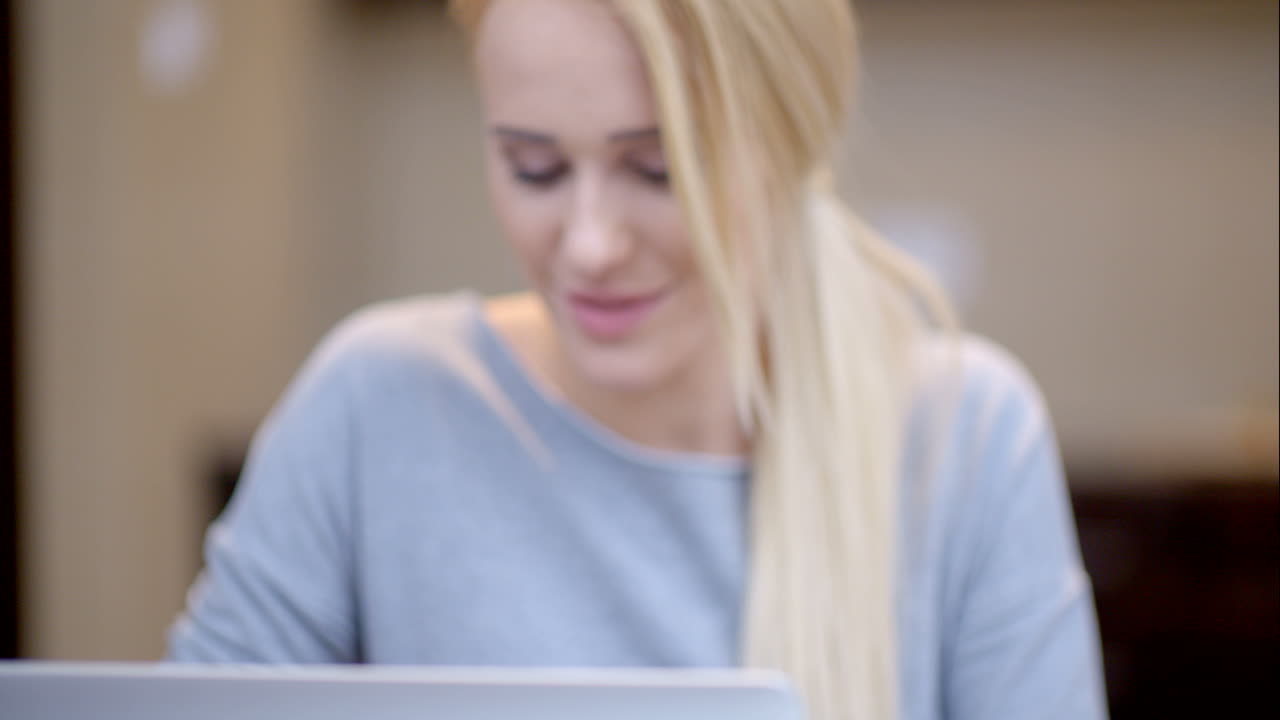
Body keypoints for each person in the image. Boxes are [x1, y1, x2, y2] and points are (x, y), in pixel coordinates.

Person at [166, 1, 1108, 718]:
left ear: (795, 140)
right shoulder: (373, 408)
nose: (587, 246)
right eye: (534, 167)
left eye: (658, 170)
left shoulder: (966, 442)